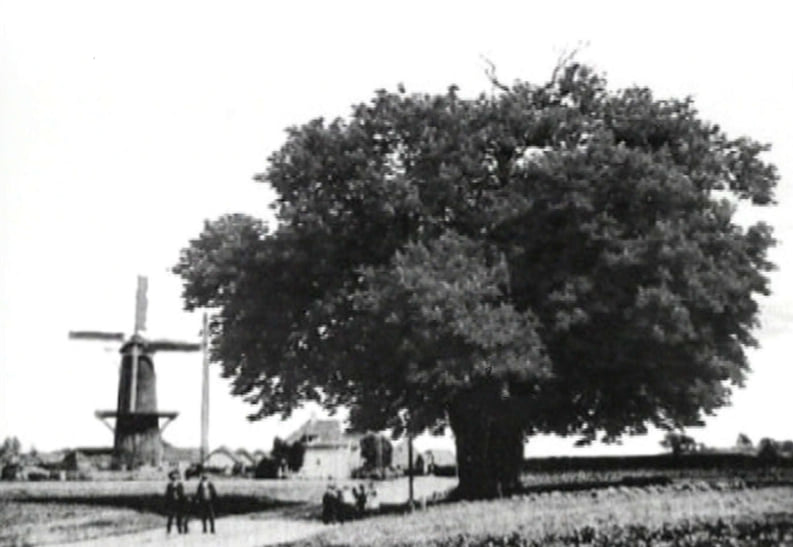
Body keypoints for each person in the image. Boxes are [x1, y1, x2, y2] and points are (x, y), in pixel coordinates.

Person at [164, 470, 186, 534]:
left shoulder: (180, 485)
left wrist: (183, 502)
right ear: (171, 478)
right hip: (171, 503)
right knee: (170, 517)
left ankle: (179, 530)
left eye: (176, 477)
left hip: (178, 503)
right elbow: (167, 494)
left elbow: (182, 494)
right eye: (173, 477)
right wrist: (167, 503)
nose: (175, 478)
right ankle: (168, 530)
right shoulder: (169, 485)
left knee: (179, 517)